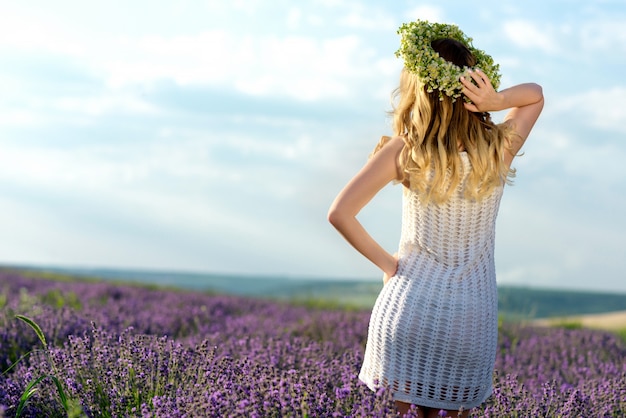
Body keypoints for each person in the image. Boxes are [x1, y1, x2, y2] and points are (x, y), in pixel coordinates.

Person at [327, 21, 543, 417]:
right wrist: (495, 102)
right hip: (469, 320)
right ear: (471, 85)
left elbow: (340, 213)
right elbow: (535, 96)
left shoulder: (404, 151)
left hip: (406, 309)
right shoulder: (496, 149)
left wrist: (389, 265)